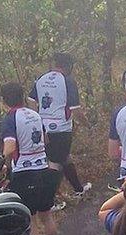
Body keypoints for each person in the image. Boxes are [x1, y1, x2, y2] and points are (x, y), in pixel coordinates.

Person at [0, 81, 62, 235]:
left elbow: (9, 149)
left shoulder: (10, 119)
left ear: (4, 100)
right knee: (47, 214)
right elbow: (46, 140)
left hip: (24, 173)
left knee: (31, 219)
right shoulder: (34, 114)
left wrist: (1, 161)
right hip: (43, 168)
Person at [29, 52, 92, 199]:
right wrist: (87, 124)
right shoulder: (68, 81)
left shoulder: (41, 78)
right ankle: (49, 200)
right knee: (55, 163)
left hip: (44, 127)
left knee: (63, 157)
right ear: (69, 66)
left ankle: (78, 189)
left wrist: (38, 119)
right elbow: (75, 110)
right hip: (61, 128)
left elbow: (31, 100)